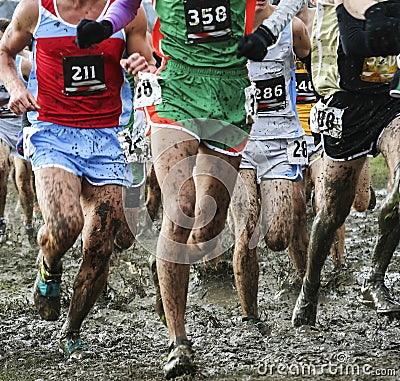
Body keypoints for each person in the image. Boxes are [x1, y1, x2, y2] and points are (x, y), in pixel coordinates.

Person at [0, 0, 154, 360]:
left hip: (108, 136)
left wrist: (139, 66)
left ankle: (73, 329)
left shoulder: (129, 11)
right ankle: (49, 266)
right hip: (53, 131)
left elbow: (148, 64)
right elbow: (4, 51)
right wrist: (16, 88)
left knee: (102, 242)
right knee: (66, 225)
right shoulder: (36, 9)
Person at [292, 0, 400, 328]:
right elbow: (345, 46)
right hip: (345, 108)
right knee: (332, 214)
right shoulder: (334, 5)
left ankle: (375, 280)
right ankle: (310, 286)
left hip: (389, 104)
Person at [228, 0, 311, 323]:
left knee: (278, 237)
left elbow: (313, 72)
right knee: (246, 231)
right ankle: (251, 319)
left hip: (281, 141)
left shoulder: (293, 30)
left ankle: (307, 288)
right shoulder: (227, 33)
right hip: (239, 142)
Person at [290, 1, 374, 271]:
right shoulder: (271, 26)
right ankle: (309, 274)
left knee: (359, 202)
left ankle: (339, 266)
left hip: (334, 117)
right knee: (301, 205)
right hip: (291, 128)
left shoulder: (327, 19)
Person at [0, 18, 36, 246]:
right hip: (1, 126)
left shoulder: (25, 63)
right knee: (0, 167)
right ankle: (1, 221)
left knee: (23, 179)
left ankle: (29, 222)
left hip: (22, 124)